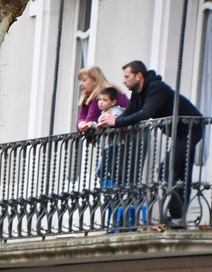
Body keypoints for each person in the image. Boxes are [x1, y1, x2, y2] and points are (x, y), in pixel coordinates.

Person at [99, 60, 203, 227]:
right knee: (177, 170)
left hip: (192, 128)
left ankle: (177, 215)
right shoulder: (138, 93)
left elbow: (146, 113)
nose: (124, 81)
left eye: (127, 76)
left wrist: (116, 122)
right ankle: (178, 216)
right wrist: (110, 121)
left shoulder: (156, 88)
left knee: (171, 168)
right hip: (179, 133)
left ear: (139, 76)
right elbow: (130, 113)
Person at [76, 66, 126, 132]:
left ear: (95, 81)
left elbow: (90, 122)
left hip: (122, 137)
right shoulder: (88, 95)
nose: (81, 84)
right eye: (80, 80)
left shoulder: (101, 94)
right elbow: (82, 117)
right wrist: (80, 124)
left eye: (84, 80)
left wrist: (84, 125)